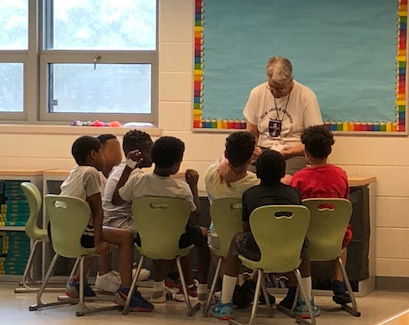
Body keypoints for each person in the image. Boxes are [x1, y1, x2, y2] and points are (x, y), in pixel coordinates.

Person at [211, 150, 319, 320]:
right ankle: (306, 303)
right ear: (283, 172)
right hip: (290, 252)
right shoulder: (294, 194)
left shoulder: (250, 194)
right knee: (304, 244)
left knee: (236, 240)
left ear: (258, 171)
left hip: (259, 251)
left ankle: (225, 303)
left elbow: (247, 227)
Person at [61, 136, 154, 312]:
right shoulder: (92, 173)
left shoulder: (76, 171)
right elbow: (98, 210)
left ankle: (76, 281)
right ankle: (126, 291)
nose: (105, 158)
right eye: (102, 154)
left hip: (63, 231)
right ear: (93, 154)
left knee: (97, 230)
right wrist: (98, 241)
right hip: (80, 232)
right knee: (125, 237)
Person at [114, 136, 210, 304]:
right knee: (201, 234)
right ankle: (201, 289)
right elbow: (194, 219)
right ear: (177, 163)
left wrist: (129, 167)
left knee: (156, 229)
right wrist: (194, 186)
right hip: (174, 243)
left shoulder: (137, 181)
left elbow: (116, 199)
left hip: (144, 240)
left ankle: (158, 287)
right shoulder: (181, 188)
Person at [291, 125, 352, 305]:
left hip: (306, 240)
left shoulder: (299, 178)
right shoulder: (340, 175)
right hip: (334, 240)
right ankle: (338, 283)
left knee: (292, 237)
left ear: (306, 153)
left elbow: (296, 209)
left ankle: (296, 289)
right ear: (329, 151)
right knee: (343, 234)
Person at [243, 56, 323, 181]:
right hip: (264, 151)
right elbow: (251, 132)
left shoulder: (306, 96)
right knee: (247, 180)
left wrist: (290, 151)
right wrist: (253, 148)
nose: (275, 92)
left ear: (291, 80)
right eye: (271, 87)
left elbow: (314, 141)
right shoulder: (257, 93)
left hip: (294, 153)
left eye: (280, 88)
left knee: (284, 181)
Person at [95, 130, 153, 293]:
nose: (152, 155)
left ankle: (126, 271)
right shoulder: (135, 175)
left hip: (110, 220)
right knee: (162, 231)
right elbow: (120, 199)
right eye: (149, 151)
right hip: (117, 223)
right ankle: (165, 283)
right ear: (135, 154)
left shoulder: (119, 169)